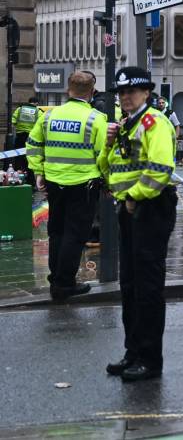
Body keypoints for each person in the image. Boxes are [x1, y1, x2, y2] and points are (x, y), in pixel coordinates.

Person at [99, 66, 177, 382]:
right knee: (129, 286)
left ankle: (150, 358)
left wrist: (133, 196)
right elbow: (107, 168)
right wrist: (107, 144)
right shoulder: (125, 125)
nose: (125, 98)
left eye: (131, 92)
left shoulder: (153, 122)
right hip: (130, 209)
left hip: (150, 207)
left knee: (147, 288)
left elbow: (160, 169)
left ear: (146, 92)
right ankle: (133, 352)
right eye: (121, 93)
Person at [25, 71, 107, 301]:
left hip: (53, 182)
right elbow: (104, 156)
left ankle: (56, 277)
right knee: (75, 234)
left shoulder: (49, 116)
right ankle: (64, 283)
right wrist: (108, 181)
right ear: (91, 93)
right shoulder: (95, 118)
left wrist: (38, 172)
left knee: (57, 232)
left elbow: (32, 144)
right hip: (84, 185)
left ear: (67, 91)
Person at [11, 96, 40, 178]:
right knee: (30, 158)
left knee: (18, 158)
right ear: (36, 103)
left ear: (29, 101)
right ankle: (30, 180)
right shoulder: (38, 111)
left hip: (20, 137)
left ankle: (17, 178)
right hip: (31, 139)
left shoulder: (19, 109)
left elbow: (13, 121)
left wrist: (19, 127)